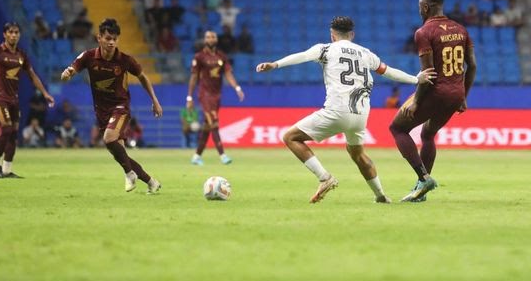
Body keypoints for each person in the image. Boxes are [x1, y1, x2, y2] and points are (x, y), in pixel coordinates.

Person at [256, 16, 436, 203]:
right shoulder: (366, 53)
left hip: (337, 110)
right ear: (352, 34)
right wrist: (416, 79)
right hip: (361, 114)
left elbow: (302, 56)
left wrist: (275, 64)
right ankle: (381, 196)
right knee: (357, 154)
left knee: (290, 137)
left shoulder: (325, 49)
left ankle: (325, 178)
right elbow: (389, 72)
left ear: (332, 35)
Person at [389, 0, 477, 203]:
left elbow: (428, 74)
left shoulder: (424, 32)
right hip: (455, 93)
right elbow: (472, 65)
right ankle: (421, 190)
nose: (419, 10)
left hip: (436, 92)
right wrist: (463, 95)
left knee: (398, 128)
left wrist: (417, 101)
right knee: (428, 134)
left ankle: (423, 177)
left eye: (420, 7)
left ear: (426, 8)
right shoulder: (460, 29)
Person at [60, 18, 163, 194]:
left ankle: (130, 174)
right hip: (101, 111)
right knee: (120, 153)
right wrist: (67, 74)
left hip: (120, 107)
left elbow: (143, 77)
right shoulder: (88, 56)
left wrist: (155, 100)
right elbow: (72, 69)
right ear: (99, 38)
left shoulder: (124, 60)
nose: (111, 42)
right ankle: (151, 182)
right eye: (108, 38)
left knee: (108, 139)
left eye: (114, 39)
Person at [0, 22, 55, 178]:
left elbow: (32, 75)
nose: (14, 35)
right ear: (4, 34)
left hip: (13, 99)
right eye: (10, 32)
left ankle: (7, 169)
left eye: (16, 32)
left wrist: (45, 93)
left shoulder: (22, 55)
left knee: (14, 133)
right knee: (7, 128)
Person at [186, 30, 245, 165]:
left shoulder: (222, 56)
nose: (210, 39)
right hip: (204, 94)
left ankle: (196, 156)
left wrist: (237, 88)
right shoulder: (199, 57)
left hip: (216, 95)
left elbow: (228, 73)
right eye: (208, 37)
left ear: (216, 40)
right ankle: (222, 155)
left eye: (213, 37)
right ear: (205, 40)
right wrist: (189, 97)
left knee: (207, 126)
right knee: (214, 122)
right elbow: (194, 77)